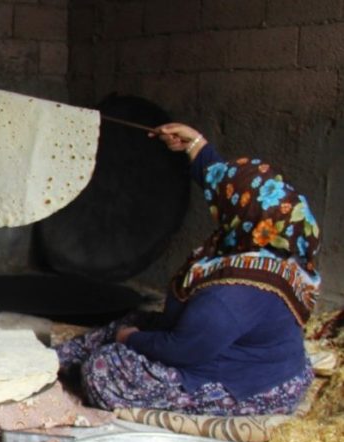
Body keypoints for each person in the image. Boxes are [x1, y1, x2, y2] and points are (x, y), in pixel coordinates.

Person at [56, 123, 320, 416]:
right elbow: (229, 186)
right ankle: (55, 361)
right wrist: (196, 145)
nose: (217, 203)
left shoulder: (232, 294)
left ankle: (86, 364)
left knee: (104, 368)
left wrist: (129, 339)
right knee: (133, 320)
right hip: (245, 355)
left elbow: (183, 350)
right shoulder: (280, 238)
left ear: (238, 217)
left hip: (251, 384)